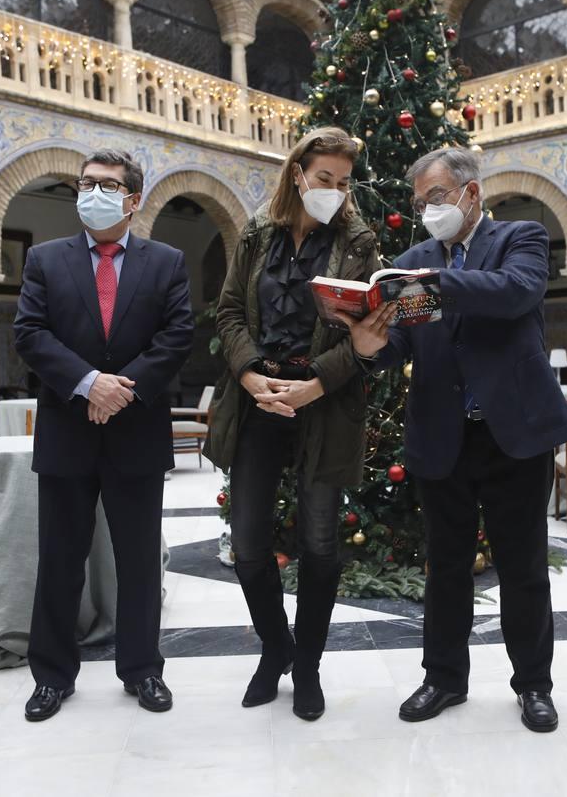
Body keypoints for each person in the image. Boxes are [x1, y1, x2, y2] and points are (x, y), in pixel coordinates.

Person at [340, 146, 567, 734]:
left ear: (471, 193)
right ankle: (444, 677)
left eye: (437, 198)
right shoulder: (410, 261)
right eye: (420, 202)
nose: (427, 211)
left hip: (514, 432)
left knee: (523, 566)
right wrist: (370, 345)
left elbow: (517, 292)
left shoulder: (520, 238)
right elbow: (399, 345)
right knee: (445, 565)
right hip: (442, 434)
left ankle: (534, 686)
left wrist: (437, 282)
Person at [203, 127, 381, 721]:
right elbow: (229, 311)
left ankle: (307, 666)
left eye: (343, 181)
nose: (334, 190)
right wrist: (252, 376)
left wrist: (313, 386)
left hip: (321, 401)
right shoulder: (257, 234)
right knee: (249, 542)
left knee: (321, 543)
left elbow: (367, 338)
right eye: (324, 178)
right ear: (297, 173)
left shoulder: (358, 242)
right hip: (258, 397)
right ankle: (274, 646)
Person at [14, 149, 193, 723]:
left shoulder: (166, 261)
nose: (94, 192)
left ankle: (143, 670)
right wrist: (88, 384)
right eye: (87, 183)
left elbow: (177, 336)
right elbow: (30, 333)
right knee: (60, 560)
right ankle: (51, 676)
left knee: (138, 562)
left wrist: (122, 388)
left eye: (108, 185)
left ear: (133, 199)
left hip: (136, 432)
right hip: (68, 430)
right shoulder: (46, 258)